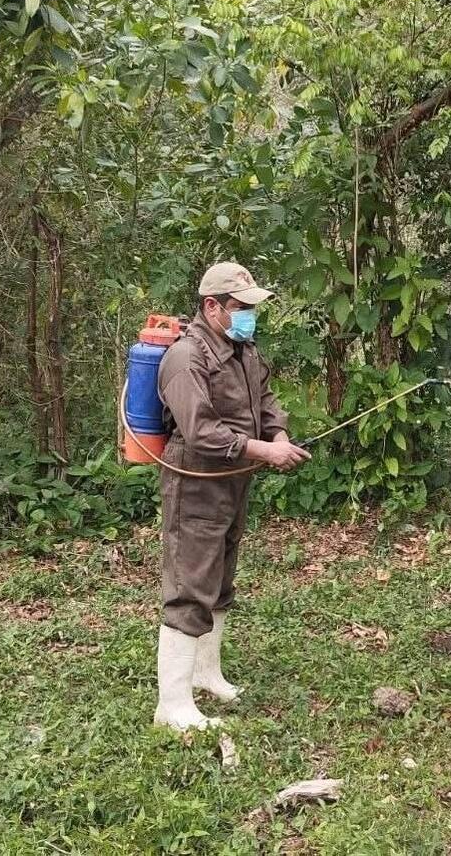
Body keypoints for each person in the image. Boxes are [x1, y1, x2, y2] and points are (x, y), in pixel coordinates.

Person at [153, 262, 310, 732]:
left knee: (220, 579)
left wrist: (278, 433)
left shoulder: (244, 350)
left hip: (235, 478)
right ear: (212, 306)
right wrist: (266, 451)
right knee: (190, 585)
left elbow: (266, 401)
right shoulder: (186, 358)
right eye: (242, 307)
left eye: (252, 308)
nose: (250, 317)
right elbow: (200, 431)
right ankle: (172, 706)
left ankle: (207, 674)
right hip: (197, 480)